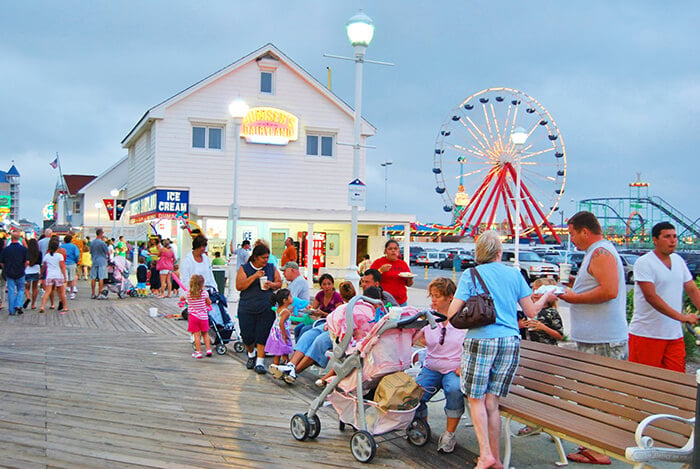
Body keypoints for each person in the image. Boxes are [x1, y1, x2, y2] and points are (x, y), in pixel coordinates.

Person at [447, 230, 555, 469]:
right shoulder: (514, 274)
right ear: (499, 252)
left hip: (481, 339)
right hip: (509, 340)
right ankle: (495, 458)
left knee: (476, 399)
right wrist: (546, 297)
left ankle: (485, 454)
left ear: (479, 253)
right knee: (492, 402)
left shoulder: (471, 274)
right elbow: (531, 312)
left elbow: (452, 313)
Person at [555, 210, 628, 465]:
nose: (571, 239)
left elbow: (609, 290)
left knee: (600, 394)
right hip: (597, 337)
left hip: (604, 339)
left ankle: (600, 449)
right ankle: (594, 445)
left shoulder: (600, 252)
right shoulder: (596, 253)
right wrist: (577, 283)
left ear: (585, 231)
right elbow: (600, 284)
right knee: (593, 393)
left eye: (572, 233)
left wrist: (574, 297)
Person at [629, 222, 700, 372]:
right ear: (655, 240)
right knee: (644, 383)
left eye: (674, 236)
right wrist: (682, 317)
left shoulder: (679, 261)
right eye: (667, 237)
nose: (673, 240)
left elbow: (692, 289)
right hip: (646, 334)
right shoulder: (644, 263)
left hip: (673, 335)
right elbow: (651, 297)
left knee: (676, 382)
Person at [413, 277, 464, 454]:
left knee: (454, 390)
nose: (433, 300)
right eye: (432, 296)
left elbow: (473, 346)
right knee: (414, 393)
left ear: (450, 297)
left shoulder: (463, 319)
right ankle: (421, 426)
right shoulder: (429, 316)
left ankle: (449, 434)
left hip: (454, 368)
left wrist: (463, 366)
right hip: (431, 366)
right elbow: (417, 336)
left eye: (437, 296)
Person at [516, 277, 564, 437]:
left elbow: (560, 335)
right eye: (534, 290)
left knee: (547, 391)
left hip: (547, 355)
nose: (536, 294)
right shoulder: (527, 311)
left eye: (540, 291)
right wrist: (520, 325)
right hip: (530, 355)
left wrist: (543, 327)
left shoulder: (550, 313)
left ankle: (552, 428)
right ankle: (532, 424)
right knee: (530, 389)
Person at [236, 242, 282, 374]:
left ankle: (260, 362)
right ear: (255, 257)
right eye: (263, 258)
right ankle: (251, 354)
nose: (266, 260)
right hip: (247, 306)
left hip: (266, 306)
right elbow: (239, 286)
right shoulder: (244, 268)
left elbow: (279, 283)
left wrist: (272, 284)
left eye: (267, 257)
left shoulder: (271, 268)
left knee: (262, 334)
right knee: (247, 335)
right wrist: (255, 276)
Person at [294, 273, 342, 341]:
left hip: (331, 323)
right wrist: (310, 309)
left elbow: (338, 317)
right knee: (297, 328)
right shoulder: (320, 295)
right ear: (321, 286)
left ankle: (301, 350)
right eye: (324, 284)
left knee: (304, 329)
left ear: (332, 285)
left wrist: (322, 313)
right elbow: (313, 308)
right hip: (320, 320)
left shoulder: (337, 297)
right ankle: (297, 347)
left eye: (329, 284)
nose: (327, 286)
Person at [370, 239, 413, 306]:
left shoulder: (403, 264)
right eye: (390, 249)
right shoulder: (378, 262)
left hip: (401, 301)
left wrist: (410, 278)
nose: (393, 251)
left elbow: (409, 284)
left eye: (395, 249)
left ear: (398, 250)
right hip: (383, 301)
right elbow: (370, 279)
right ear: (385, 251)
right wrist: (380, 271)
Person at [0, 230, 29, 315]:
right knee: (21, 289)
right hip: (20, 271)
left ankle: (11, 310)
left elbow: (2, 262)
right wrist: (24, 268)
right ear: (19, 238)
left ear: (11, 238)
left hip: (9, 272)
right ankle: (19, 304)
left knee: (11, 291)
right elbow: (27, 262)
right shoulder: (23, 249)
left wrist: (5, 268)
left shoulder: (6, 250)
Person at [184, 274, 212, 359]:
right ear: (202, 284)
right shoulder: (205, 293)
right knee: (205, 334)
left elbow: (183, 298)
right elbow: (209, 302)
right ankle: (208, 349)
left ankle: (198, 352)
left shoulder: (189, 294)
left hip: (193, 317)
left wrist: (182, 299)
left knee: (196, 335)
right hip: (203, 317)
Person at [265, 288, 294, 367]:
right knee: (285, 350)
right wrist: (284, 334)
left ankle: (275, 367)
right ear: (285, 300)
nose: (292, 298)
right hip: (282, 332)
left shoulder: (280, 309)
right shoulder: (286, 312)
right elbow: (281, 323)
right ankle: (286, 366)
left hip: (276, 331)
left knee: (277, 352)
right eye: (290, 296)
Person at [40, 238, 68, 314]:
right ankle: (65, 307)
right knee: (61, 292)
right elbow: (62, 267)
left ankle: (42, 306)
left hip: (50, 275)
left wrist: (41, 273)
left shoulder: (47, 256)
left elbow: (44, 266)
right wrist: (65, 276)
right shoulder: (60, 256)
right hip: (58, 275)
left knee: (47, 291)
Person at [90, 229, 110, 299]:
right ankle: (99, 293)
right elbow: (107, 252)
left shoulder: (92, 242)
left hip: (94, 260)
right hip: (102, 261)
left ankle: (93, 293)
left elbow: (91, 252)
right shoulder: (102, 243)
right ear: (101, 234)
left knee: (93, 278)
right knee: (101, 277)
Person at [24, 238, 42, 310]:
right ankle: (33, 304)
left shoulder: (26, 252)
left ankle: (28, 297)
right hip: (36, 270)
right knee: (35, 288)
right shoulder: (39, 253)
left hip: (27, 271)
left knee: (26, 288)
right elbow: (40, 263)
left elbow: (25, 261)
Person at [61, 234, 81, 300]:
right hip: (72, 263)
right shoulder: (74, 246)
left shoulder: (61, 246)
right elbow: (77, 255)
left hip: (63, 263)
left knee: (65, 279)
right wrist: (76, 261)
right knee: (72, 278)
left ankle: (63, 293)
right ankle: (72, 293)